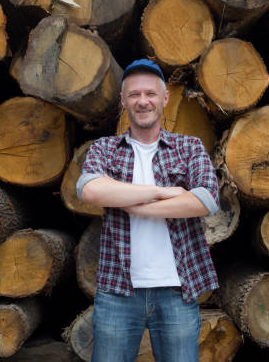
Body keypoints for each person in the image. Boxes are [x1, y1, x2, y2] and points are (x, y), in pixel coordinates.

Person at [76, 59, 219, 362]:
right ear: (124, 101)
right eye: (134, 95)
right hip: (117, 292)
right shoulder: (105, 148)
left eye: (151, 94)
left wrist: (128, 202)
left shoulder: (190, 147)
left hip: (178, 291)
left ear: (165, 98)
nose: (143, 102)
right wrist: (161, 192)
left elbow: (205, 200)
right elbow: (90, 190)